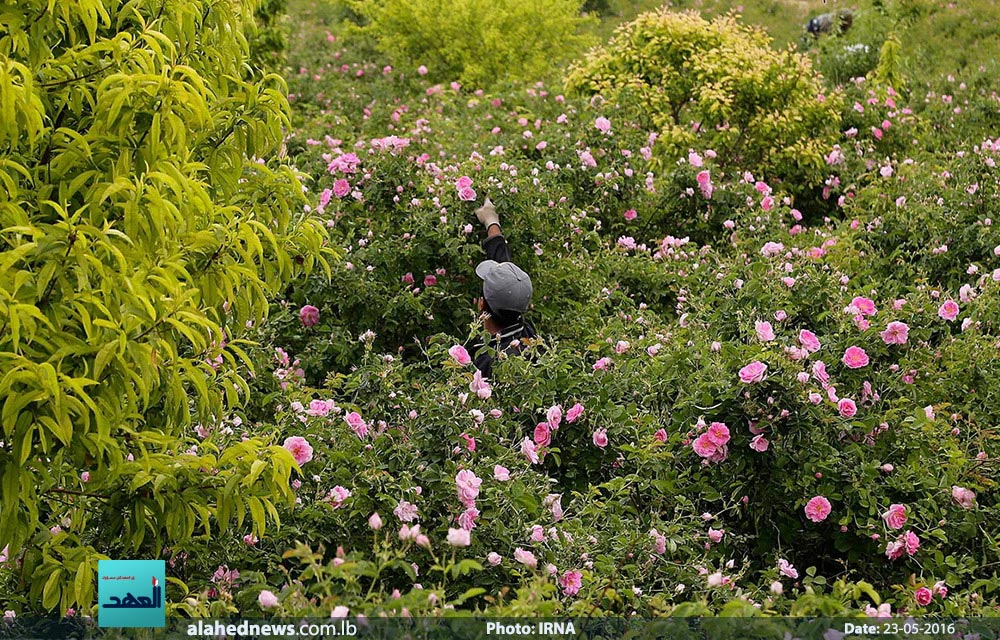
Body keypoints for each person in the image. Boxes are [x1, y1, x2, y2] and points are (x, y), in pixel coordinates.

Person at [466, 197, 538, 378]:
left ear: (481, 305)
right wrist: (491, 221)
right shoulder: (528, 336)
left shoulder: (484, 362)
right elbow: (504, 271)